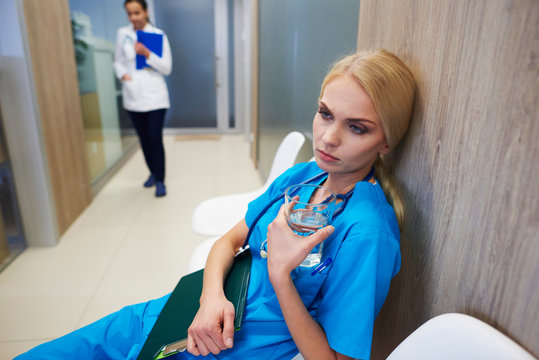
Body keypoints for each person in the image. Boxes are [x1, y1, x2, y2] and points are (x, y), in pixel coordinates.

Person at [15, 49, 416, 360]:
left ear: (385, 143)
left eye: (356, 127)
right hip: (191, 312)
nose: (328, 139)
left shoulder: (367, 232)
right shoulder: (303, 177)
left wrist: (280, 275)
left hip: (226, 347)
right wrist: (210, 299)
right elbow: (227, 243)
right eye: (325, 114)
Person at [114, 0, 172, 197]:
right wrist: (122, 75)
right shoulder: (123, 34)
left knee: (155, 139)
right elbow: (118, 62)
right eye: (130, 14)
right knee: (144, 140)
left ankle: (161, 181)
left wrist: (147, 53)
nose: (133, 18)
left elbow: (167, 67)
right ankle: (153, 174)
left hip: (155, 98)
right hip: (132, 96)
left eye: (137, 13)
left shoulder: (158, 35)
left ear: (145, 12)